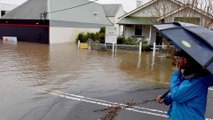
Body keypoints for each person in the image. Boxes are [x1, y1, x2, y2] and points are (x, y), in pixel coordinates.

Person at [156, 49, 213, 120]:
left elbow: (177, 95)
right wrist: (166, 98)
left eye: (178, 58)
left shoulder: (196, 80)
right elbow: (179, 90)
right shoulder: (189, 75)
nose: (176, 61)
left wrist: (176, 74)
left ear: (185, 60)